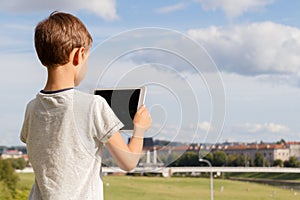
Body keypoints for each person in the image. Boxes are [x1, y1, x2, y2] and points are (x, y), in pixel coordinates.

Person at [20, 11, 151, 200]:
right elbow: (128, 162)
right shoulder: (94, 106)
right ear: (79, 55)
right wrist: (139, 129)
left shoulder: (31, 108)